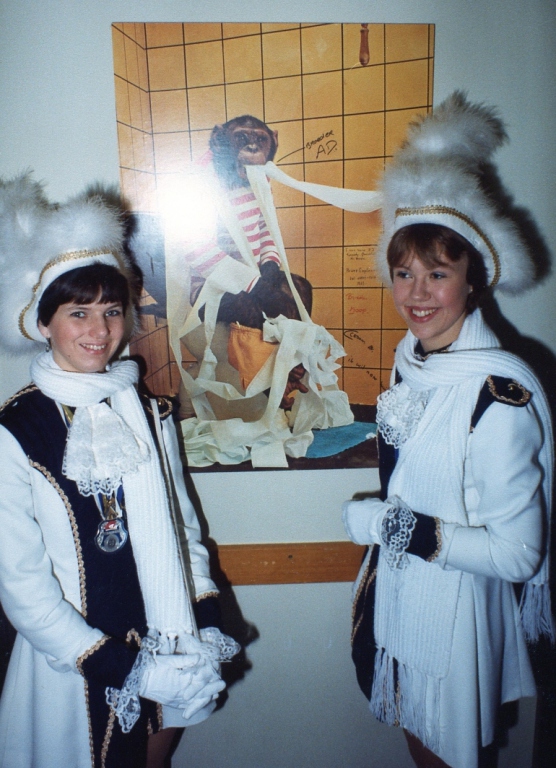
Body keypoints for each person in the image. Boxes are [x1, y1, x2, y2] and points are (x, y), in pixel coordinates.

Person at [342, 92, 554, 768]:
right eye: (403, 273)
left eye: (438, 273)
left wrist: (394, 527)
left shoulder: (498, 398)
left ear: (473, 280)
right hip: (403, 602)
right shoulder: (414, 366)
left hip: (455, 623)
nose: (415, 293)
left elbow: (519, 556)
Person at [0, 179, 238, 768]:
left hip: (170, 643)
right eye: (78, 313)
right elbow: (24, 590)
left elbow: (183, 533)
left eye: (111, 311)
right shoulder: (15, 431)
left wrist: (204, 619)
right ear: (43, 322)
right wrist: (125, 668)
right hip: (71, 667)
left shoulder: (151, 413)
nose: (99, 331)